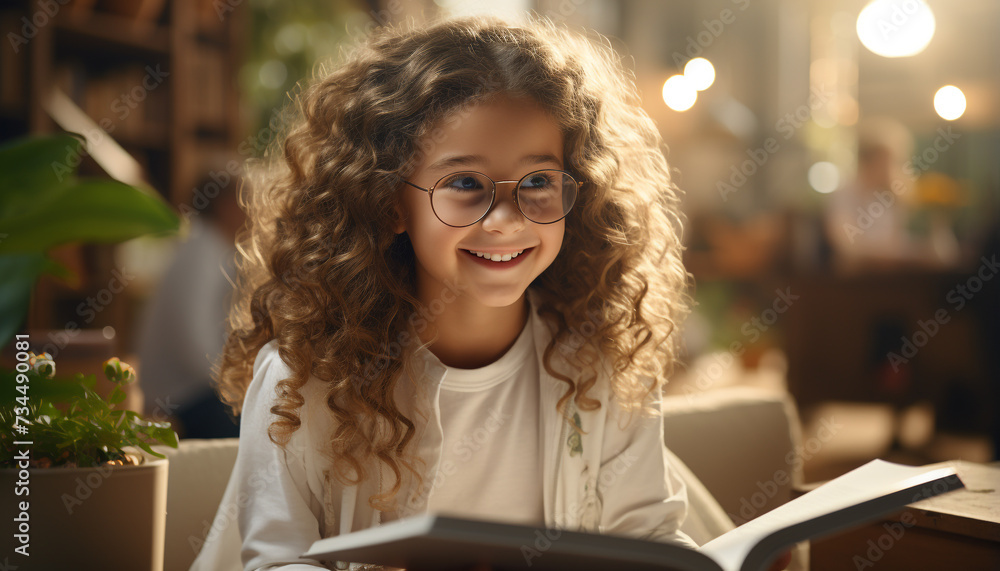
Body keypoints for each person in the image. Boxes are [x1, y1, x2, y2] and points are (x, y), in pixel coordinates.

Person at [192, 15, 789, 571]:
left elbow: (648, 535)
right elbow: (277, 560)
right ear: (389, 202)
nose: (506, 219)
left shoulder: (597, 361)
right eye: (464, 183)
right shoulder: (304, 378)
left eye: (537, 181)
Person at [136, 165, 245, 438]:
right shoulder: (202, 253)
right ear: (226, 205)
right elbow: (195, 347)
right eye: (247, 198)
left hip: (189, 388)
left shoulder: (209, 247)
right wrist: (237, 383)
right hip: (180, 396)